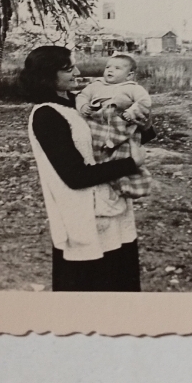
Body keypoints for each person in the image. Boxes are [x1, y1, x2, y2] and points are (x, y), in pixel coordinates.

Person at [20, 46, 144, 292]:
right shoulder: (47, 115)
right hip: (83, 219)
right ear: (47, 75)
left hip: (112, 214)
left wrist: (141, 123)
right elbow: (75, 177)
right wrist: (131, 164)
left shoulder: (78, 103)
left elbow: (112, 136)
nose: (77, 72)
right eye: (68, 69)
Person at [76, 54, 154, 215]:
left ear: (129, 74)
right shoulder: (96, 85)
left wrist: (132, 112)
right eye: (108, 67)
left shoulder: (133, 87)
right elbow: (82, 95)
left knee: (121, 155)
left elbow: (144, 102)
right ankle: (104, 183)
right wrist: (83, 105)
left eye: (117, 68)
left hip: (121, 124)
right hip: (98, 124)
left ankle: (126, 183)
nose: (110, 70)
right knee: (97, 155)